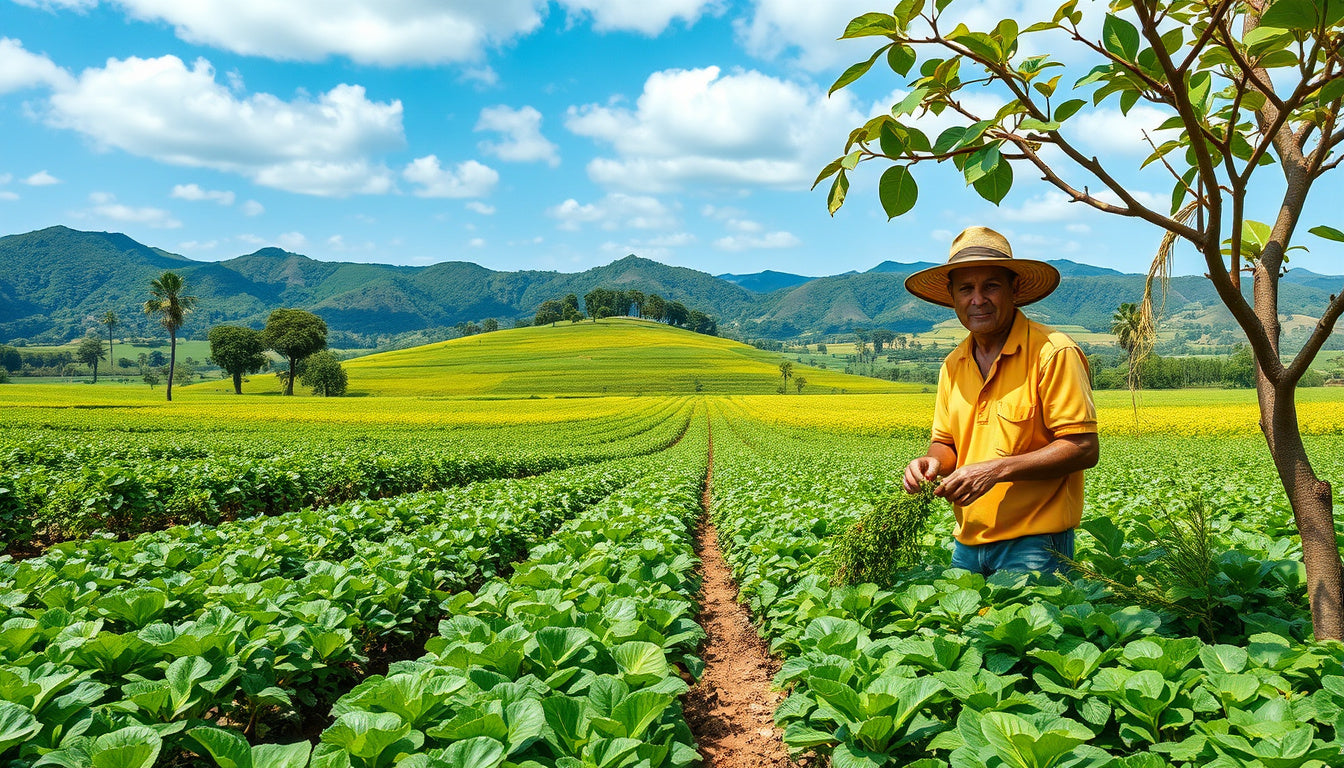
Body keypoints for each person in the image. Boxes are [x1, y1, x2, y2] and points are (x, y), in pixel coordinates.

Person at [901, 226, 1098, 576]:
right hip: (966, 544)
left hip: (1036, 544)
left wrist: (997, 470)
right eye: (966, 289)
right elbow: (945, 442)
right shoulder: (953, 364)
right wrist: (930, 463)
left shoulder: (1052, 352)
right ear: (952, 296)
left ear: (1014, 289)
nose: (977, 299)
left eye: (990, 286)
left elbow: (1083, 447)